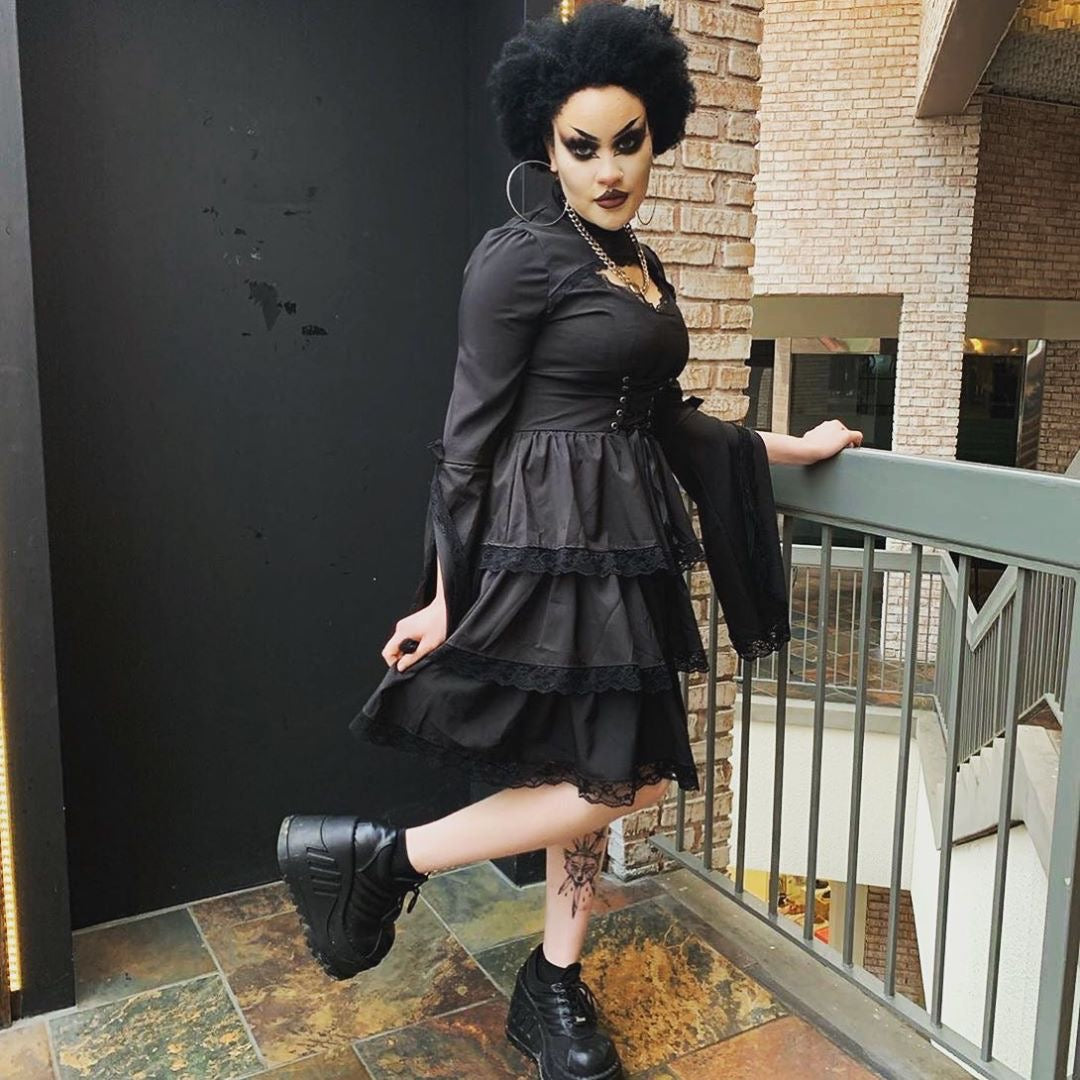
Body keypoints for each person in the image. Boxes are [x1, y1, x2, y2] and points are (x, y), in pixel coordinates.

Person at [276, 6, 863, 1080]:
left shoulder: (638, 260)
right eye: (582, 146)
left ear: (657, 134)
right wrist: (444, 593)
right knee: (618, 779)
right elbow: (466, 441)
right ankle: (383, 858)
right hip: (548, 548)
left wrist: (794, 445)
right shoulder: (520, 258)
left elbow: (668, 416)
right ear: (546, 149)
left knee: (600, 769)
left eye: (627, 141)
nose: (608, 168)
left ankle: (552, 979)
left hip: (621, 546)